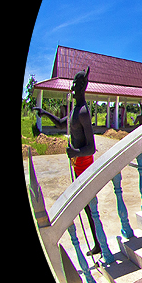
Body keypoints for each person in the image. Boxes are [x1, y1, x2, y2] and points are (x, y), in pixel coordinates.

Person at [36, 67, 101, 256]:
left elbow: (91, 147)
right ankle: (98, 243)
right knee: (85, 208)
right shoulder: (74, 110)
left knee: (89, 208)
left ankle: (98, 244)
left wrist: (74, 152)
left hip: (84, 166)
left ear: (81, 87)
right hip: (77, 165)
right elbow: (60, 124)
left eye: (74, 84)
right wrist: (44, 112)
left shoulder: (83, 112)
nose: (71, 88)